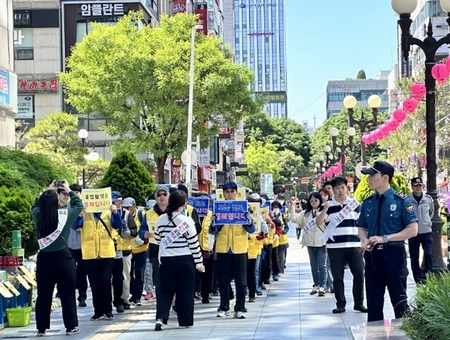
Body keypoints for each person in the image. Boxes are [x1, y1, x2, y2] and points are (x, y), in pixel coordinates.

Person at [357, 161, 418, 322]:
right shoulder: (368, 202)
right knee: (373, 304)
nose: (369, 179)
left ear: (385, 177)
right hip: (372, 257)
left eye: (373, 175)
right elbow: (362, 227)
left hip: (394, 255)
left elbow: (413, 229)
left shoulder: (401, 201)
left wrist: (385, 238)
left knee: (400, 303)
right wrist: (364, 240)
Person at [32, 180, 83, 336]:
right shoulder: (64, 215)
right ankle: (71, 326)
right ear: (56, 201)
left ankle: (41, 328)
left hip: (44, 259)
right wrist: (69, 190)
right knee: (67, 294)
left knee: (44, 294)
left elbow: (35, 205)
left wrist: (48, 189)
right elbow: (78, 205)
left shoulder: (37, 215)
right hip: (63, 258)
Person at [154, 190, 204, 331]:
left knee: (165, 291)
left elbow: (158, 239)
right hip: (185, 260)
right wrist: (199, 263)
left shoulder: (161, 219)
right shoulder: (187, 221)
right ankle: (185, 320)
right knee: (186, 291)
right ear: (183, 204)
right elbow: (194, 244)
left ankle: (161, 318)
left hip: (166, 260)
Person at [316, 176, 367, 314]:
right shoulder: (327, 205)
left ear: (347, 188)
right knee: (338, 276)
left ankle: (359, 302)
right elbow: (319, 222)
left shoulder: (355, 204)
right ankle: (340, 303)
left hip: (354, 244)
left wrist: (363, 240)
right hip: (335, 246)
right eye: (337, 188)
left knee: (359, 273)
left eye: (342, 187)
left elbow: (362, 224)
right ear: (332, 190)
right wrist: (325, 209)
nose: (340, 190)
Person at [209, 181, 255, 319]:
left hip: (240, 249)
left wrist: (249, 221)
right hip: (223, 248)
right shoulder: (218, 208)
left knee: (241, 281)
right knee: (223, 280)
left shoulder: (243, 208)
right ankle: (224, 306)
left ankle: (239, 307)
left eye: (232, 191)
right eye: (227, 192)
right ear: (223, 194)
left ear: (236, 193)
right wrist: (213, 222)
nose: (229, 194)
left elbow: (251, 230)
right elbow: (212, 231)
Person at [80, 195, 123, 321]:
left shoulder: (108, 211)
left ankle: (108, 310)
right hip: (90, 253)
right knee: (94, 283)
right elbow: (75, 226)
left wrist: (115, 213)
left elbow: (117, 225)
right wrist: (80, 215)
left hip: (107, 252)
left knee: (105, 281)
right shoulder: (85, 212)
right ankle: (98, 311)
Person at [290, 193, 327, 296]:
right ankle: (316, 284)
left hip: (322, 242)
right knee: (313, 265)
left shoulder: (324, 212)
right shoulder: (305, 213)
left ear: (320, 201)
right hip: (310, 242)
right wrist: (292, 205)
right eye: (311, 201)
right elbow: (294, 219)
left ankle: (323, 286)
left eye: (316, 200)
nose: (314, 202)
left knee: (322, 265)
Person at [66, 184, 88, 308]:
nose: (75, 194)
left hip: (83, 246)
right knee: (70, 272)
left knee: (82, 272)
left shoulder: (86, 208)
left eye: (77, 192)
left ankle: (82, 296)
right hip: (69, 244)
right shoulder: (66, 208)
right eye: (73, 192)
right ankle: (69, 296)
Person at [408, 177, 433, 284]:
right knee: (414, 258)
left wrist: (426, 222)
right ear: (412, 187)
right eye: (416, 186)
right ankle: (418, 279)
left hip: (426, 231)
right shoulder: (407, 200)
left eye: (420, 186)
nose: (418, 188)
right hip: (413, 233)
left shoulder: (428, 199)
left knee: (429, 254)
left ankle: (429, 278)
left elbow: (431, 213)